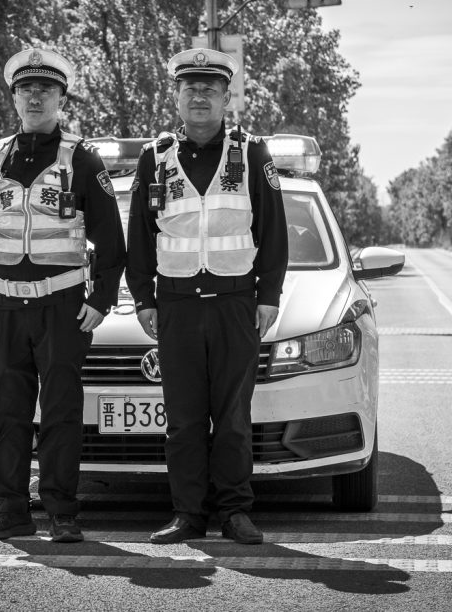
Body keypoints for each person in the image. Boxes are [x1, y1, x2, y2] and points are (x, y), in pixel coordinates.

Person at [0, 48, 125, 543]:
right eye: (26, 89)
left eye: (45, 89)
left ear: (60, 98)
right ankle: (11, 511)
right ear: (14, 98)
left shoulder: (82, 158)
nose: (35, 96)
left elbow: (111, 240)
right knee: (7, 411)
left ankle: (63, 512)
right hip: (3, 307)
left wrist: (101, 299)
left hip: (63, 307)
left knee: (61, 413)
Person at [126, 48, 288, 545]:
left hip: (234, 303)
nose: (199, 96)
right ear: (175, 96)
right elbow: (139, 238)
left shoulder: (253, 154)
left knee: (234, 418)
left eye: (210, 88)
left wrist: (269, 296)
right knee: (184, 420)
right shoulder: (155, 158)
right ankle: (188, 515)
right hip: (175, 306)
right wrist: (144, 300)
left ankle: (235, 512)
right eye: (190, 88)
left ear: (225, 98)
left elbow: (274, 232)